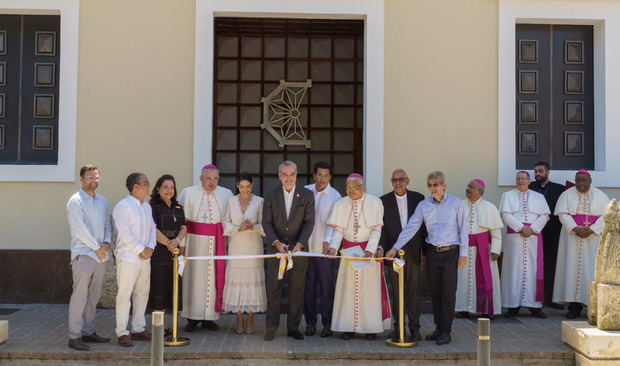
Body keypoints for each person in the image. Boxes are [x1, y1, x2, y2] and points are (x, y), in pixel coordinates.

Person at [387, 171, 468, 346]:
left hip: (451, 252)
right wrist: (395, 247)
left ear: (444, 185)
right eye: (430, 185)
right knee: (436, 293)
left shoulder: (456, 203)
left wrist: (464, 254)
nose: (432, 188)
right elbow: (411, 227)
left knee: (448, 293)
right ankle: (438, 329)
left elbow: (464, 229)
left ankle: (446, 331)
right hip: (432, 252)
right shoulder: (424, 205)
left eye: (436, 184)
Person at [327, 173, 390, 340]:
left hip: (367, 253)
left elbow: (377, 229)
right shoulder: (341, 203)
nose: (350, 191)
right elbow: (339, 230)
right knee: (347, 292)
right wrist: (333, 247)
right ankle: (347, 328)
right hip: (348, 253)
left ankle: (370, 328)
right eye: (348, 188)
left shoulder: (375, 202)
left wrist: (370, 249)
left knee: (368, 292)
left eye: (354, 188)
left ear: (362, 187)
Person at [262, 161, 315, 341]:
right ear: (279, 176)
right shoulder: (270, 195)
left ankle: (293, 327)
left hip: (298, 250)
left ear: (296, 175)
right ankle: (271, 328)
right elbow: (266, 222)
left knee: (296, 290)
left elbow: (309, 222)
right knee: (273, 290)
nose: (288, 178)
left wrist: (300, 244)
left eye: (292, 174)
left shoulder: (307, 195)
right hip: (276, 249)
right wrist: (276, 242)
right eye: (285, 174)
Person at [178, 164, 233, 332]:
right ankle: (192, 318)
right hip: (194, 242)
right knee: (193, 280)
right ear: (201, 178)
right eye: (208, 178)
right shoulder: (188, 193)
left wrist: (230, 245)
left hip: (217, 243)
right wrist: (182, 246)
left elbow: (230, 220)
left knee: (213, 280)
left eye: (215, 178)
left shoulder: (226, 194)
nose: (212, 182)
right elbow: (182, 222)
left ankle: (210, 317)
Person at [66, 164, 112, 351]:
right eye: (90, 177)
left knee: (94, 296)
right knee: (80, 295)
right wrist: (96, 248)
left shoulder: (102, 201)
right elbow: (79, 229)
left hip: (101, 255)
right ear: (82, 179)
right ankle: (74, 335)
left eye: (96, 177)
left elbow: (107, 224)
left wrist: (106, 243)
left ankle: (88, 331)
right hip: (84, 254)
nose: (93, 180)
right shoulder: (75, 201)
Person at [553, 170, 609, 318]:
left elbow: (606, 217)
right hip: (572, 238)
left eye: (584, 181)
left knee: (591, 271)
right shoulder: (566, 195)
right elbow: (563, 214)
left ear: (590, 181)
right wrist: (574, 228)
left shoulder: (601, 196)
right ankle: (573, 307)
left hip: (593, 239)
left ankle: (592, 305)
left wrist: (592, 230)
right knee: (571, 270)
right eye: (578, 180)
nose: (581, 183)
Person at [378, 168, 425, 342]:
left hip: (413, 254)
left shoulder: (418, 198)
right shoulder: (383, 201)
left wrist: (424, 253)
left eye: (401, 179)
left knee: (413, 292)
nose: (398, 183)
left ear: (407, 180)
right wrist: (382, 246)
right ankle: (398, 329)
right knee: (397, 293)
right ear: (391, 182)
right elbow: (382, 229)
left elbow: (424, 228)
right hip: (393, 253)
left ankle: (415, 328)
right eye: (394, 180)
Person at [113, 172, 156, 347]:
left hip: (145, 259)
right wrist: (140, 249)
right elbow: (124, 233)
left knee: (142, 294)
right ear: (135, 187)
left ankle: (138, 328)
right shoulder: (123, 206)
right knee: (124, 296)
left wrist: (150, 248)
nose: (149, 185)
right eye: (145, 183)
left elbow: (153, 229)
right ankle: (122, 332)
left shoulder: (147, 207)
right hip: (128, 257)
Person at [500, 171, 550, 319]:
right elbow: (505, 215)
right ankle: (512, 306)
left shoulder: (539, 197)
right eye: (518, 179)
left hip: (533, 237)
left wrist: (532, 229)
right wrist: (521, 227)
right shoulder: (507, 196)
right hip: (515, 237)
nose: (521, 181)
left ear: (529, 181)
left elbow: (545, 215)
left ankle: (534, 306)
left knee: (533, 269)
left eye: (524, 179)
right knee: (513, 270)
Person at [222, 172, 267, 334]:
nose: (245, 190)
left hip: (253, 247)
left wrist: (253, 227)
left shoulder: (259, 202)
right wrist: (237, 228)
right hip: (236, 248)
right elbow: (225, 223)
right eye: (241, 187)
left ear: (252, 186)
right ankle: (239, 320)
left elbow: (266, 226)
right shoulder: (231, 201)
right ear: (237, 186)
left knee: (252, 282)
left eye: (248, 186)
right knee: (237, 282)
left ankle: (250, 320)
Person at [303, 162, 341, 338]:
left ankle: (327, 324)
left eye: (326, 175)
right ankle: (310, 324)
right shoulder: (305, 191)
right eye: (320, 175)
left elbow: (335, 225)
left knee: (327, 289)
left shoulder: (335, 196)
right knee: (308, 288)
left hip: (325, 252)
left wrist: (329, 243)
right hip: (306, 248)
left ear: (330, 177)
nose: (322, 179)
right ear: (314, 175)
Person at [455, 179, 503, 319]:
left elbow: (496, 231)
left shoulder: (490, 207)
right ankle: (463, 308)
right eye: (467, 186)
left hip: (484, 249)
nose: (468, 188)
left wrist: (495, 249)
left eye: (471, 187)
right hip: (464, 249)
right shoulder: (460, 205)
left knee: (486, 279)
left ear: (480, 191)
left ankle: (487, 309)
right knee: (462, 279)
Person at [148, 174, 187, 336]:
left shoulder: (178, 207)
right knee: (160, 288)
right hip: (159, 253)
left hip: (175, 254)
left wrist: (176, 241)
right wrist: (169, 244)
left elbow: (184, 227)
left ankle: (173, 326)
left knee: (173, 289)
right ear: (158, 188)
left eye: (171, 187)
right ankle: (160, 327)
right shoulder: (152, 206)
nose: (168, 190)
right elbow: (153, 229)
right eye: (165, 187)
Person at [529, 162, 566, 308]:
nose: (538, 173)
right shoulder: (529, 187)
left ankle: (551, 298)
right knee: (534, 265)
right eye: (536, 171)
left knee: (551, 266)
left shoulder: (560, 189)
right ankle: (534, 297)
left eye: (541, 171)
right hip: (534, 233)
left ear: (548, 172)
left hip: (553, 233)